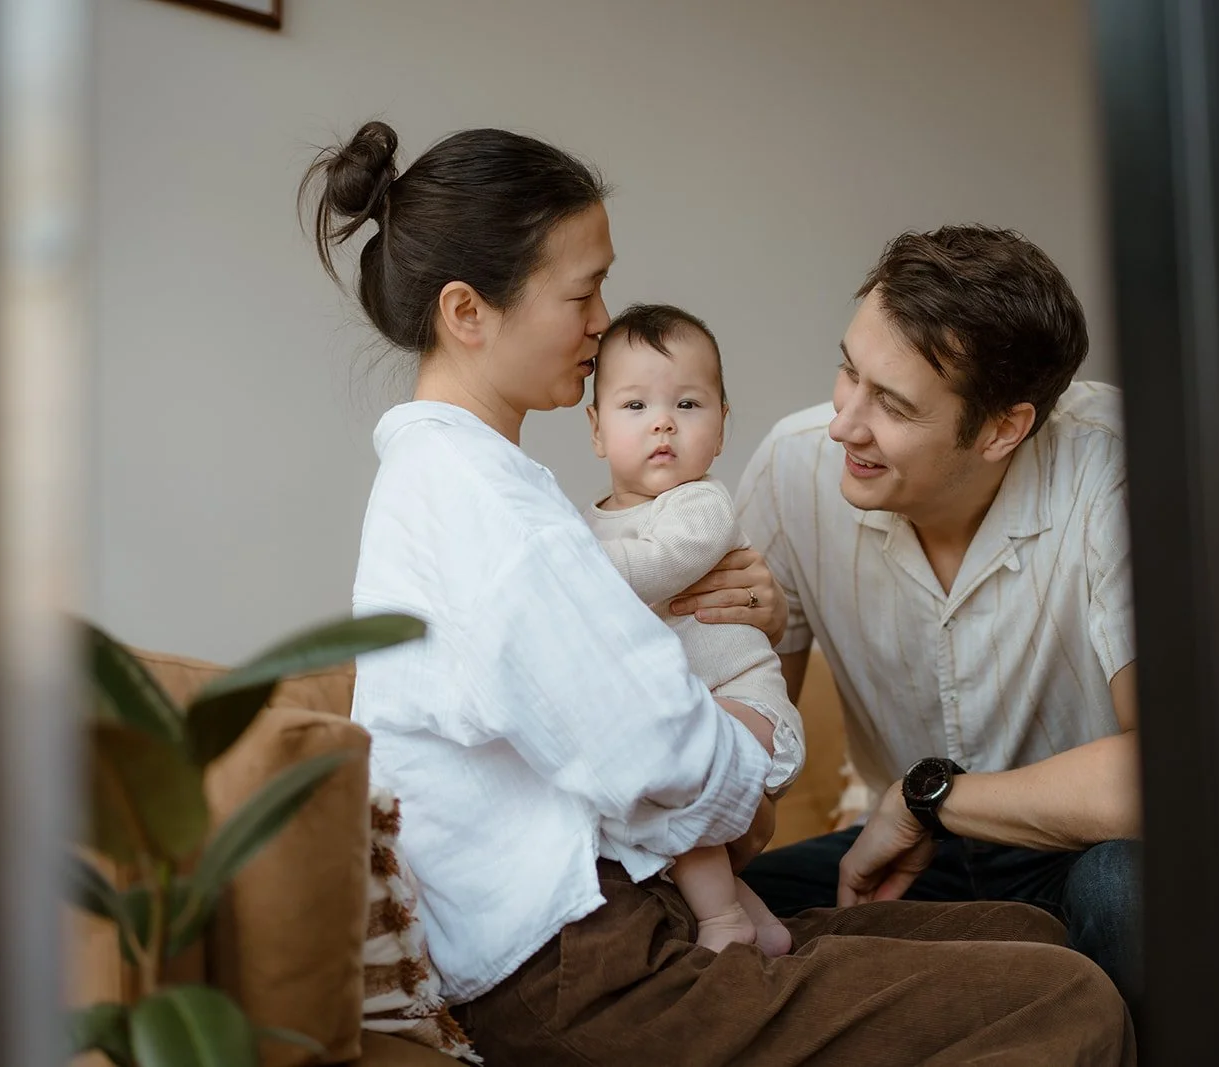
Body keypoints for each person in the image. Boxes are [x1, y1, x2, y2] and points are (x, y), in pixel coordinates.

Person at [310, 120, 1134, 1066]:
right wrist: (757, 745)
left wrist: (744, 670)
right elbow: (654, 752)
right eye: (583, 293)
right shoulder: (485, 507)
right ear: (467, 312)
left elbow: (653, 724)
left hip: (620, 921)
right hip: (579, 962)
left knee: (1034, 937)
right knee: (1065, 996)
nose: (603, 322)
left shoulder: (482, 486)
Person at [729, 225, 1143, 1014]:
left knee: (1125, 889)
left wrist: (930, 799)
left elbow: (1174, 774)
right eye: (849, 372)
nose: (844, 424)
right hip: (907, 858)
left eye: (891, 403)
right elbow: (740, 743)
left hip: (1081, 846)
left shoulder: (1114, 465)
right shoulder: (793, 468)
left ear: (1002, 429)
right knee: (685, 917)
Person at [584, 303, 803, 956]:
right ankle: (759, 921)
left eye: (687, 404)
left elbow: (657, 565)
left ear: (722, 427)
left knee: (666, 760)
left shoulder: (700, 506)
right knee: (635, 802)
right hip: (695, 714)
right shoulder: (586, 528)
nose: (662, 422)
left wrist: (558, 569)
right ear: (596, 429)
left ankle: (723, 921)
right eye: (634, 406)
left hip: (745, 704)